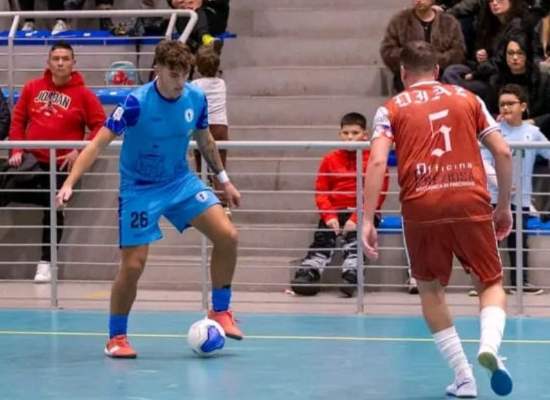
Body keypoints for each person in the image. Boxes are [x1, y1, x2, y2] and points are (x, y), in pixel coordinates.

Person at [55, 40, 243, 358]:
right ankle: (116, 338)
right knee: (133, 265)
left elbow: (205, 139)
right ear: (158, 70)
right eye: (174, 74)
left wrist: (224, 180)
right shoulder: (135, 103)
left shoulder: (196, 97)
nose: (180, 82)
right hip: (139, 188)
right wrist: (69, 183)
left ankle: (220, 311)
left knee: (228, 236)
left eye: (185, 74)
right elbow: (97, 144)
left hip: (180, 181)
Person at [362, 41, 514, 398]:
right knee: (489, 282)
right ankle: (489, 345)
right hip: (469, 199)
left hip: (421, 205)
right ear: (437, 70)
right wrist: (504, 205)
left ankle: (464, 377)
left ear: (402, 72)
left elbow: (378, 162)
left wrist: (368, 218)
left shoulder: (390, 108)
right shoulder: (468, 98)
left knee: (431, 289)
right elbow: (504, 152)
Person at [8, 40, 105, 282]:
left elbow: (100, 126)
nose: (60, 63)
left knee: (54, 208)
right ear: (48, 62)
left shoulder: (84, 94)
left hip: (61, 166)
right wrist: (16, 149)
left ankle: (46, 263)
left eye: (65, 59)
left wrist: (79, 150)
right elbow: (18, 121)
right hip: (31, 161)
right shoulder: (32, 87)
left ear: (73, 63)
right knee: (11, 189)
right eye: (56, 59)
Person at [290, 113, 388, 298]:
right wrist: (329, 216)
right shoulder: (329, 159)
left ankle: (352, 275)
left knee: (355, 239)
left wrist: (357, 217)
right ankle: (308, 273)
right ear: (340, 134)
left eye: (355, 133)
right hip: (335, 211)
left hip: (363, 211)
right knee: (322, 239)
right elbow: (321, 191)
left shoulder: (374, 160)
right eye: (346, 133)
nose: (350, 137)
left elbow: (378, 194)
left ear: (365, 135)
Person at [481, 84, 548, 295]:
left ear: (524, 107)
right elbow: (483, 160)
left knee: (519, 241)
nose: (506, 108)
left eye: (511, 103)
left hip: (521, 198)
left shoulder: (533, 133)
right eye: (502, 104)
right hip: (494, 196)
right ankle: (487, 283)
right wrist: (499, 182)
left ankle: (521, 282)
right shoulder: (493, 132)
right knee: (491, 241)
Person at [380, 0, 465, 92]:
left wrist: (432, 61)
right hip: (410, 74)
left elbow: (458, 52)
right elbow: (388, 50)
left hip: (441, 73)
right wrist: (414, 60)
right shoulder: (400, 21)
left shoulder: (449, 23)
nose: (418, 1)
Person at [192, 47, 230, 213]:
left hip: (203, 127)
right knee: (220, 166)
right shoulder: (222, 84)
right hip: (221, 127)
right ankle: (224, 204)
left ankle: (205, 203)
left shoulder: (195, 85)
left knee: (201, 164)